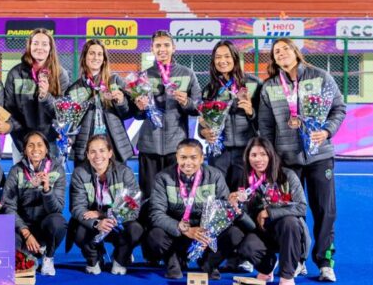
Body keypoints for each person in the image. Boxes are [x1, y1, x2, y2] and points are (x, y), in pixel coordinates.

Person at [258, 37, 345, 282]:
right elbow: (265, 125)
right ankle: (297, 260)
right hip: (286, 159)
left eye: (285, 49)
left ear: (296, 52)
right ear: (274, 59)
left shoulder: (321, 77)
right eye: (276, 51)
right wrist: (272, 157)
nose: (281, 53)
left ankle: (325, 262)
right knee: (292, 212)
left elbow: (339, 108)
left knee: (325, 210)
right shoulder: (270, 86)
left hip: (320, 155)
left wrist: (326, 131)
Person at [145, 138, 237, 279]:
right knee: (154, 235)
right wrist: (183, 229)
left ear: (202, 158)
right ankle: (173, 263)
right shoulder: (163, 178)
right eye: (183, 157)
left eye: (193, 157)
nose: (188, 162)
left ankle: (209, 263)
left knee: (235, 233)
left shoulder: (215, 176)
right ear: (177, 157)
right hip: (178, 232)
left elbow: (224, 210)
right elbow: (156, 214)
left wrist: (210, 232)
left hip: (206, 235)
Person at [133, 30, 202, 201]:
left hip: (176, 147)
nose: (162, 49)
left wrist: (186, 102)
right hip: (149, 147)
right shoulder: (144, 76)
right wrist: (140, 108)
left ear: (174, 48)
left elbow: (199, 107)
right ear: (152, 49)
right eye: (158, 45)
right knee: (149, 197)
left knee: (175, 197)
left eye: (166, 45)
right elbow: (138, 115)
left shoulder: (187, 74)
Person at [228, 137, 308, 285]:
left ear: (271, 155)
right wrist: (237, 208)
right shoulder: (244, 180)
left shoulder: (287, 175)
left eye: (263, 154)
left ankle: (287, 277)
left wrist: (269, 212)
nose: (258, 159)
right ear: (247, 157)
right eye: (253, 155)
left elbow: (301, 207)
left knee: (290, 222)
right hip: (261, 231)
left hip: (286, 232)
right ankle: (267, 268)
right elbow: (247, 220)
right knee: (246, 246)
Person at [69, 135, 143, 275]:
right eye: (92, 151)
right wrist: (97, 223)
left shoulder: (124, 172)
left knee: (135, 229)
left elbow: (133, 207)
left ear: (110, 153)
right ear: (87, 155)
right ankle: (95, 258)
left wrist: (105, 215)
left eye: (102, 150)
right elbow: (77, 208)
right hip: (93, 222)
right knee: (79, 232)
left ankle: (120, 258)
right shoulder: (79, 173)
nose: (97, 156)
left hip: (118, 221)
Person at [2, 131, 67, 277]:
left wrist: (47, 190)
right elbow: (8, 206)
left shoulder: (57, 170)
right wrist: (26, 233)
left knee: (58, 223)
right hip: (23, 227)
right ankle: (29, 254)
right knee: (9, 247)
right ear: (24, 150)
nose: (35, 149)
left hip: (45, 225)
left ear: (46, 149)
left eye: (39, 145)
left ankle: (48, 256)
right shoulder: (16, 171)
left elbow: (57, 208)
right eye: (30, 145)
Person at [200, 40, 263, 191]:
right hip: (219, 152)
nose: (222, 61)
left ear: (235, 58)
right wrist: (203, 132)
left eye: (227, 56)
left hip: (246, 151)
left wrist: (251, 112)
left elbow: (264, 122)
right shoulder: (209, 90)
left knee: (244, 196)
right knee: (219, 194)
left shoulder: (254, 84)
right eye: (218, 57)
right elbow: (203, 124)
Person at [4, 29, 71, 162]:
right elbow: (9, 109)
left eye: (44, 44)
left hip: (50, 142)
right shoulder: (15, 73)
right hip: (22, 141)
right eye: (35, 43)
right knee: (21, 176)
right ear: (29, 46)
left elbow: (61, 114)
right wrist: (25, 139)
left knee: (52, 176)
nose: (39, 47)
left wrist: (45, 96)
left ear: (50, 48)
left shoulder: (60, 75)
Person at [65, 39, 134, 165]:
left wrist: (121, 101)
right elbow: (72, 121)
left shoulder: (115, 81)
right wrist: (70, 138)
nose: (96, 57)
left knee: (116, 177)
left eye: (99, 54)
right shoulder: (75, 88)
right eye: (91, 53)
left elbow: (127, 113)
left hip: (112, 143)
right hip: (86, 144)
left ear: (104, 59)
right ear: (84, 57)